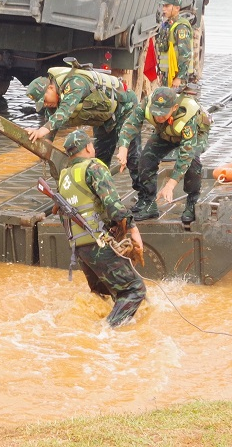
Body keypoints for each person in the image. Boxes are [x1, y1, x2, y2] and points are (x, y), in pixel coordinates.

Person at [57, 129, 146, 327]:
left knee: (105, 294)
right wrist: (133, 230)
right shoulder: (94, 167)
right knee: (134, 290)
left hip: (79, 248)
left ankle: (104, 328)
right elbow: (114, 206)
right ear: (89, 147)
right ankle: (106, 332)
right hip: (98, 242)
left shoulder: (64, 175)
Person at [24, 65, 144, 199]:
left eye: (44, 100)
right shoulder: (53, 103)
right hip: (104, 118)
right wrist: (44, 145)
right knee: (99, 159)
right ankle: (100, 197)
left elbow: (64, 112)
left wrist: (41, 130)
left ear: (51, 88)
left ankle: (146, 200)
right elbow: (51, 127)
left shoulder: (75, 83)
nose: (46, 105)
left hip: (125, 108)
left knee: (132, 157)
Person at [115, 86, 211, 229]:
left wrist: (169, 186)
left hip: (193, 135)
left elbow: (186, 155)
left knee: (193, 164)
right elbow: (130, 125)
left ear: (174, 107)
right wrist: (123, 148)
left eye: (163, 114)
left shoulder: (187, 114)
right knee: (146, 159)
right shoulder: (146, 104)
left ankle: (192, 202)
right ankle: (148, 202)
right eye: (156, 113)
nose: (159, 117)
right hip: (166, 132)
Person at [156, 0, 194, 89]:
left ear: (177, 8)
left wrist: (179, 78)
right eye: (163, 6)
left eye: (167, 6)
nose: (163, 9)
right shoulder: (169, 25)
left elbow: (185, 53)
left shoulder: (181, 27)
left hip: (176, 77)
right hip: (167, 75)